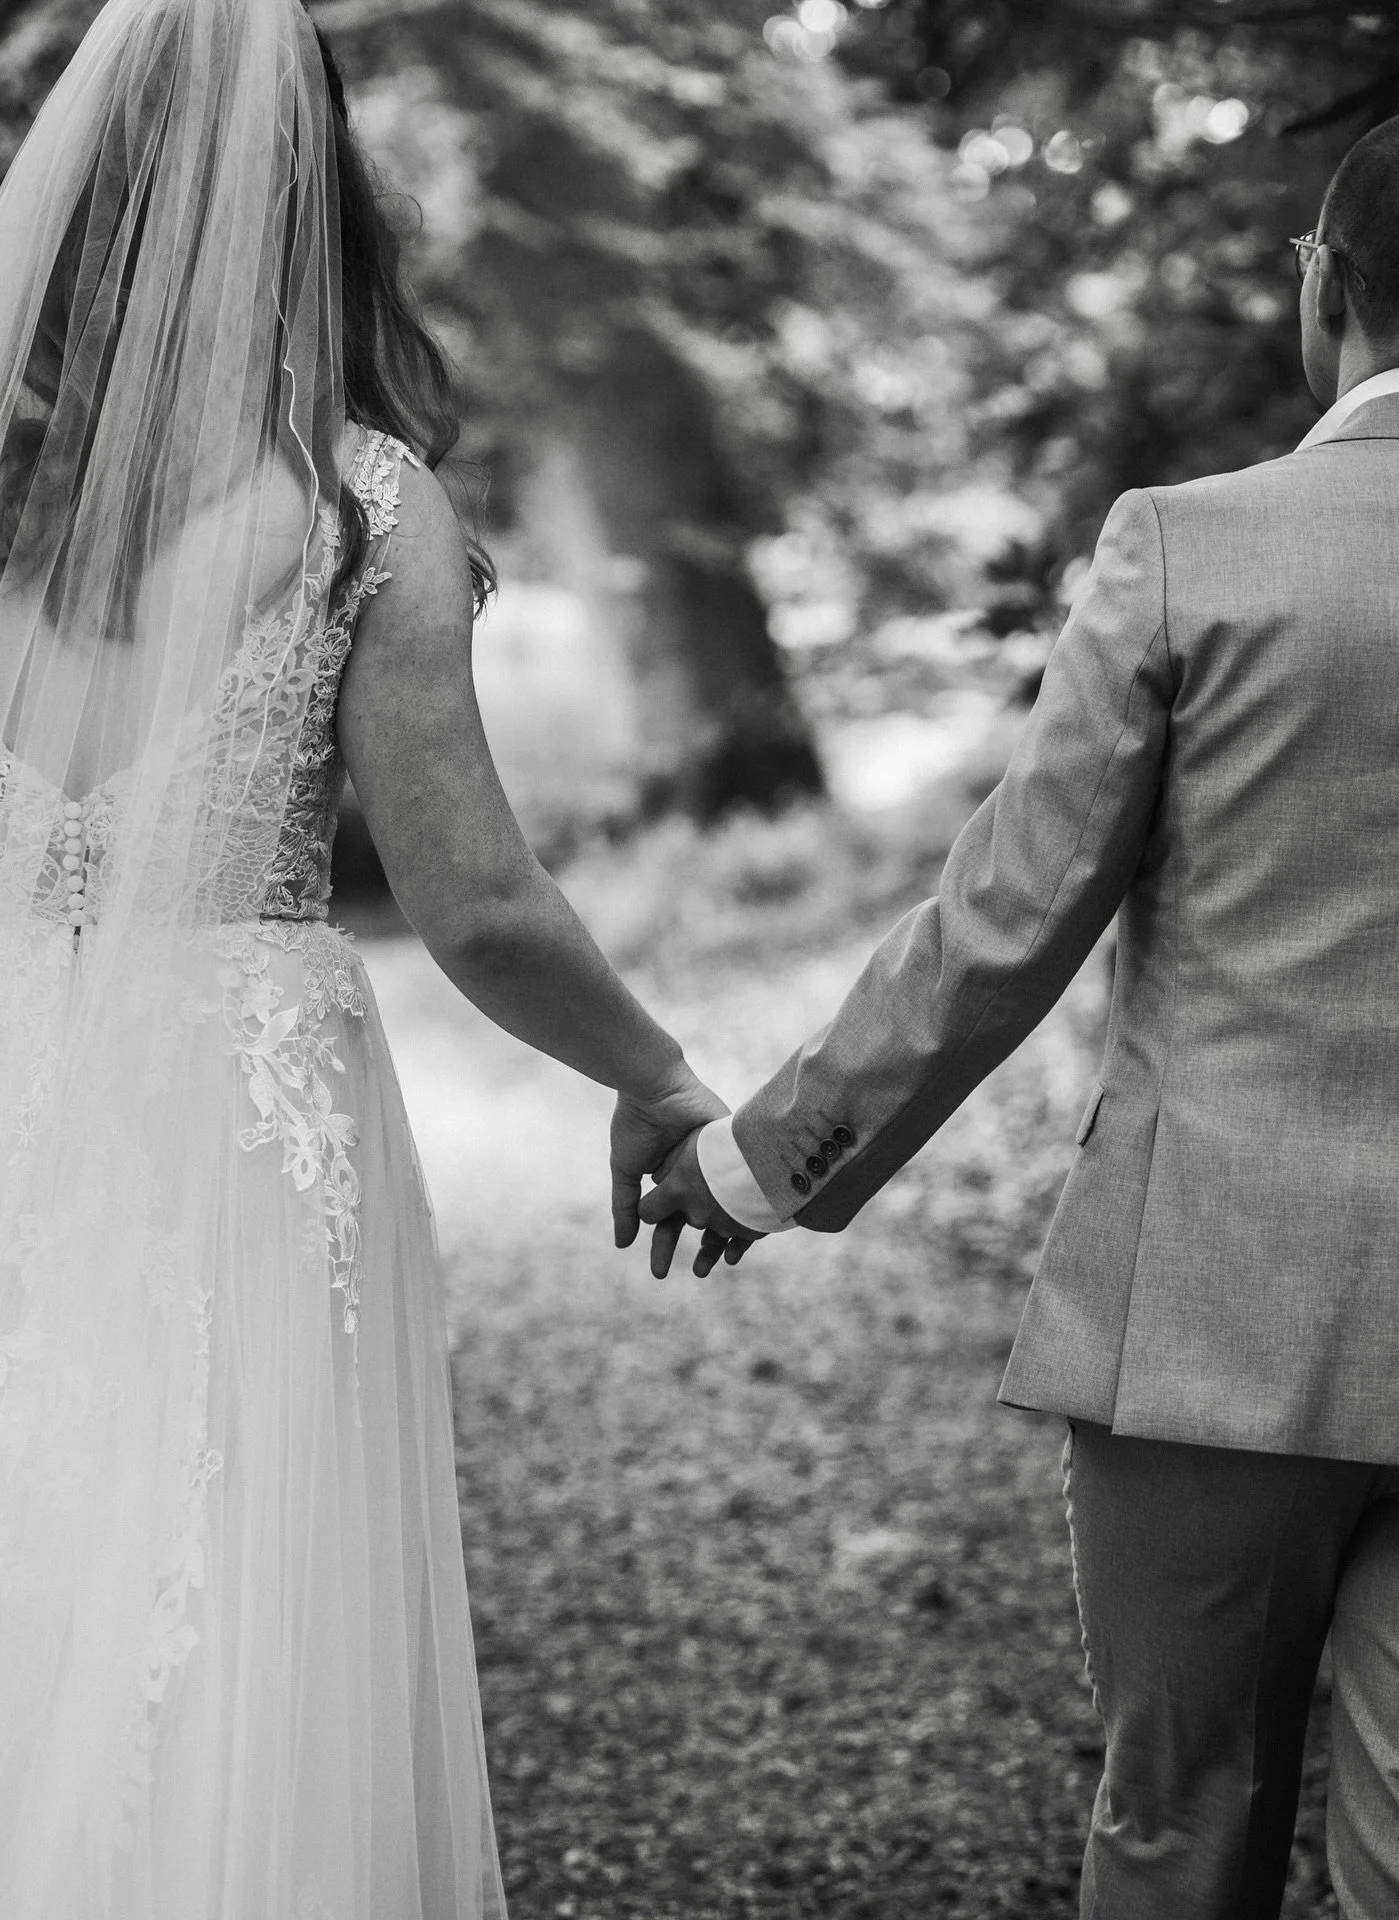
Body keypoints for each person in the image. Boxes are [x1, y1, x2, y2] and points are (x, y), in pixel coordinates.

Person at [640, 104, 1399, 1919]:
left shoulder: (1193, 546)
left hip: (1206, 1325)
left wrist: (759, 1165)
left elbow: (1005, 923)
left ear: (1322, 289)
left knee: (1179, 1824)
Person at [0, 2, 723, 1914]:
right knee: (235, 1590)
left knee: (48, 1577)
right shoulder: (360, 502)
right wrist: (661, 1074)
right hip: (245, 1114)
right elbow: (476, 899)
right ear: (318, 182)